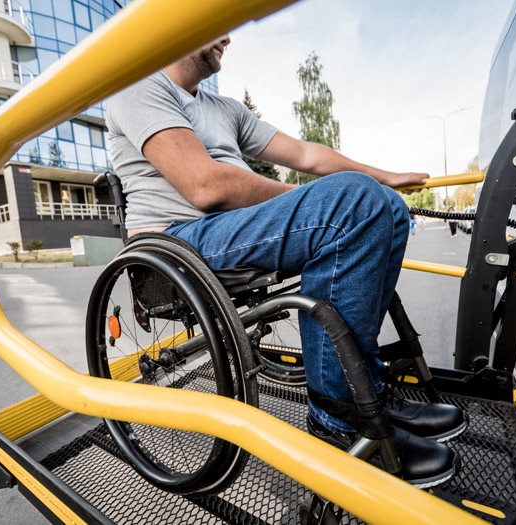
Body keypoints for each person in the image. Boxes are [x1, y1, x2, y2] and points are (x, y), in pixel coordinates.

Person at [106, 35, 465, 486]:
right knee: (353, 204)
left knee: (387, 207)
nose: (228, 34)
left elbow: (305, 154)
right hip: (176, 242)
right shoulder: (139, 87)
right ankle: (338, 417)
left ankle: (365, 386)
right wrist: (324, 202)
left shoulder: (225, 108)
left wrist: (385, 177)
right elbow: (204, 185)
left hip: (230, 231)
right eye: (216, 17)